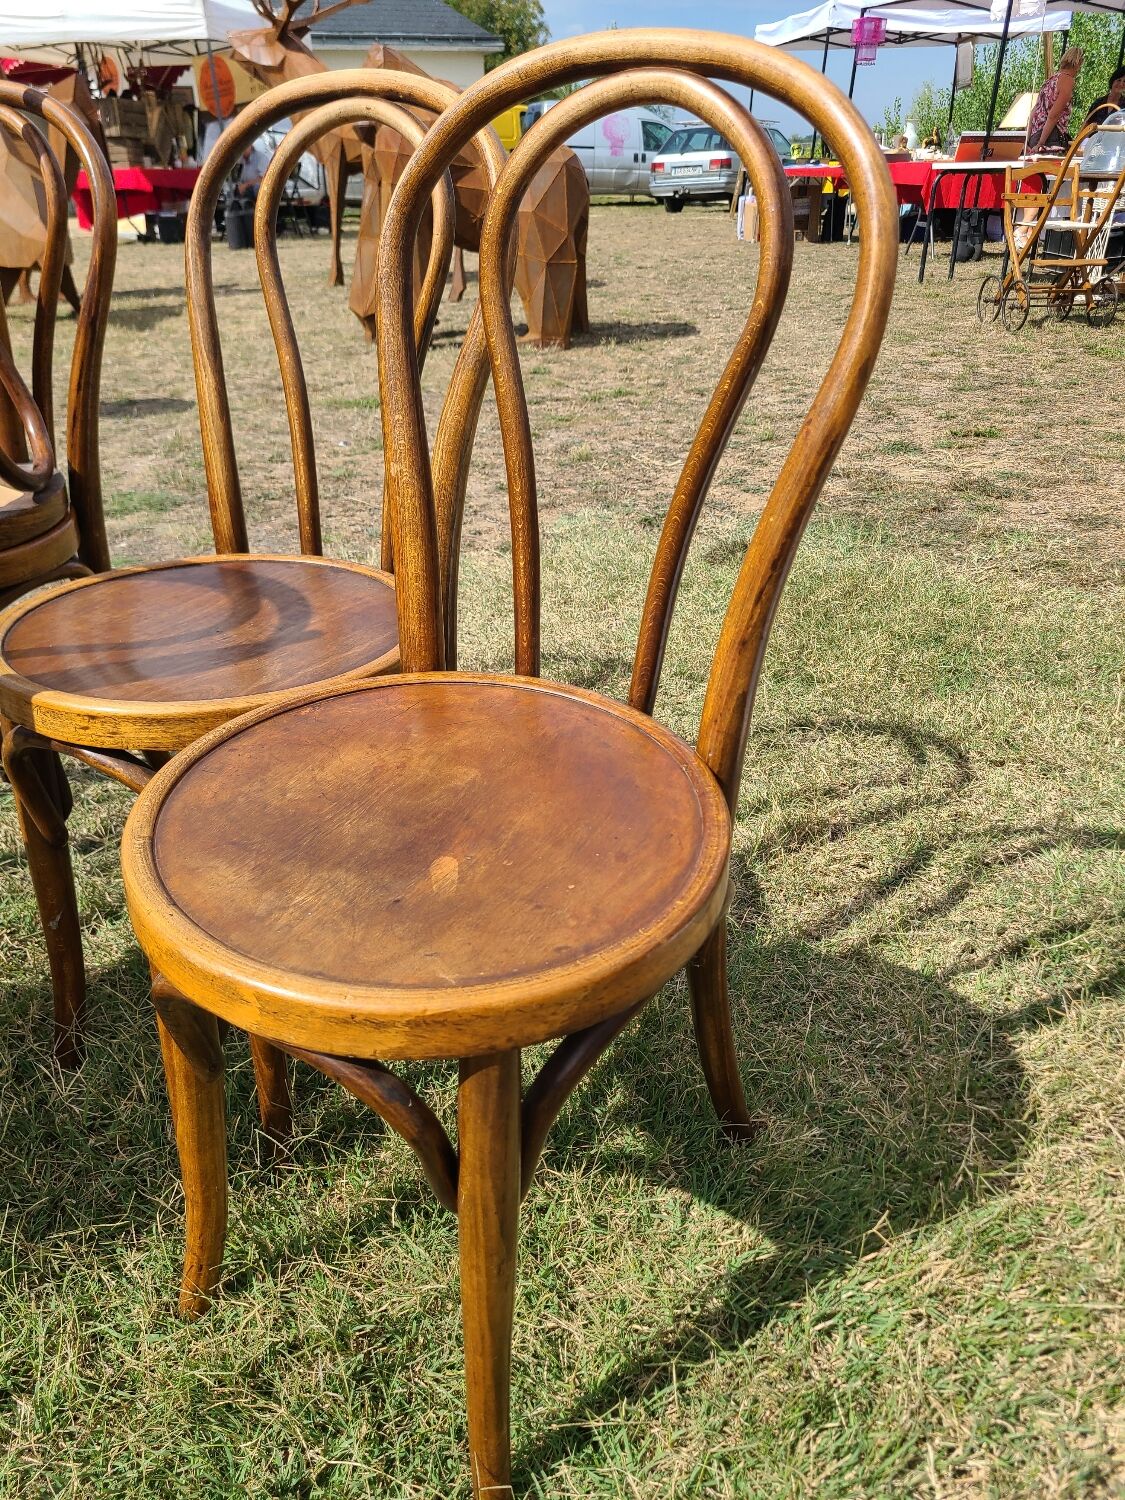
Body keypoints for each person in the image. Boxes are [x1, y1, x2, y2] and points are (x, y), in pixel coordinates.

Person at [1024, 47, 1084, 154]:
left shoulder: (1050, 81)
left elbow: (1034, 113)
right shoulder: (1067, 80)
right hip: (1050, 137)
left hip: (1035, 133)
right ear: (1079, 62)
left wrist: (1027, 141)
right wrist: (1040, 143)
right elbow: (1054, 115)